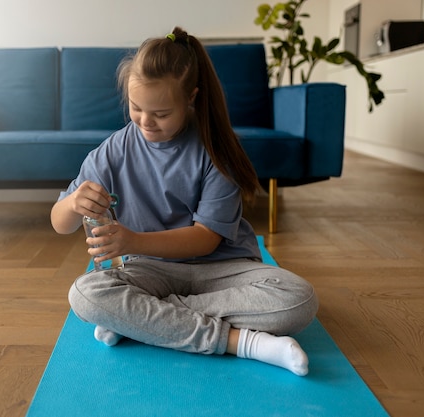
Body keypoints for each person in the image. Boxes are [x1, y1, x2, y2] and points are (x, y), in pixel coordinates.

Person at [50, 27, 318, 376]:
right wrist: (72, 204)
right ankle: (244, 343)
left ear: (190, 98)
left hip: (223, 268)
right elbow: (59, 223)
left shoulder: (215, 150)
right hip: (151, 271)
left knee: (299, 299)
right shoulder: (113, 151)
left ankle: (145, 319)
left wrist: (131, 241)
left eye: (160, 114)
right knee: (84, 294)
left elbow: (206, 239)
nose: (146, 121)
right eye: (136, 108)